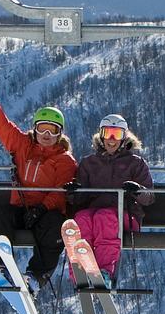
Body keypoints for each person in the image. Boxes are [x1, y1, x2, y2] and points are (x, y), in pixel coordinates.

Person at [0, 69, 75, 291]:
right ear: (34, 130)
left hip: (45, 214)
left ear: (59, 135)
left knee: (55, 225)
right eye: (42, 129)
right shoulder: (22, 146)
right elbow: (2, 126)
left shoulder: (64, 160)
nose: (46, 135)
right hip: (21, 209)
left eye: (52, 131)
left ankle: (36, 275)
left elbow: (61, 191)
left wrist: (42, 209)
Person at [63, 114, 153, 286]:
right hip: (94, 213)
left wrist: (137, 191)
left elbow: (149, 197)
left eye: (117, 135)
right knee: (81, 219)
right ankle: (80, 271)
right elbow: (81, 199)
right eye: (107, 133)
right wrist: (73, 192)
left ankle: (104, 271)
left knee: (104, 217)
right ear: (101, 135)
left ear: (124, 137)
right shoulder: (89, 163)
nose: (111, 140)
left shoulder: (135, 163)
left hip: (126, 216)